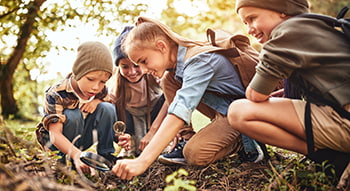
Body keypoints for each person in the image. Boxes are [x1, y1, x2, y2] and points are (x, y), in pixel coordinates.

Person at [111, 17, 263, 180]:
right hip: (225, 112)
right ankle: (187, 138)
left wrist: (142, 161)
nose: (143, 70)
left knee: (195, 154)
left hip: (243, 114)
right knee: (168, 80)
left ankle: (248, 140)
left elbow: (180, 110)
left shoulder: (199, 61)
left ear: (161, 46)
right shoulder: (173, 71)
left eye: (143, 61)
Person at [228, 0, 350, 181]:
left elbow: (254, 94)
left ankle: (326, 155)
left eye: (252, 18)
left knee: (239, 111)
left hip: (345, 124)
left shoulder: (286, 33)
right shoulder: (318, 26)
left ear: (282, 11)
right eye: (245, 23)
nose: (249, 29)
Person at [38, 41, 117, 174]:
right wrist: (77, 155)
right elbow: (54, 134)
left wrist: (97, 101)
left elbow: (111, 110)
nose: (96, 87)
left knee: (108, 108)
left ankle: (105, 159)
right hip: (56, 143)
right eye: (90, 79)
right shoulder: (57, 93)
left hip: (81, 138)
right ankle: (62, 163)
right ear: (78, 73)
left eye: (102, 82)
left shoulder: (100, 92)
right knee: (73, 115)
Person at [111, 26, 167, 156]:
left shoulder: (155, 77)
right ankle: (130, 145)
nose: (131, 72)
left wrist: (153, 131)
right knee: (110, 107)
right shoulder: (115, 91)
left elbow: (173, 99)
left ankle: (164, 142)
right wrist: (123, 137)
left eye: (136, 65)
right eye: (125, 67)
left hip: (154, 121)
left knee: (168, 98)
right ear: (118, 67)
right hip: (131, 126)